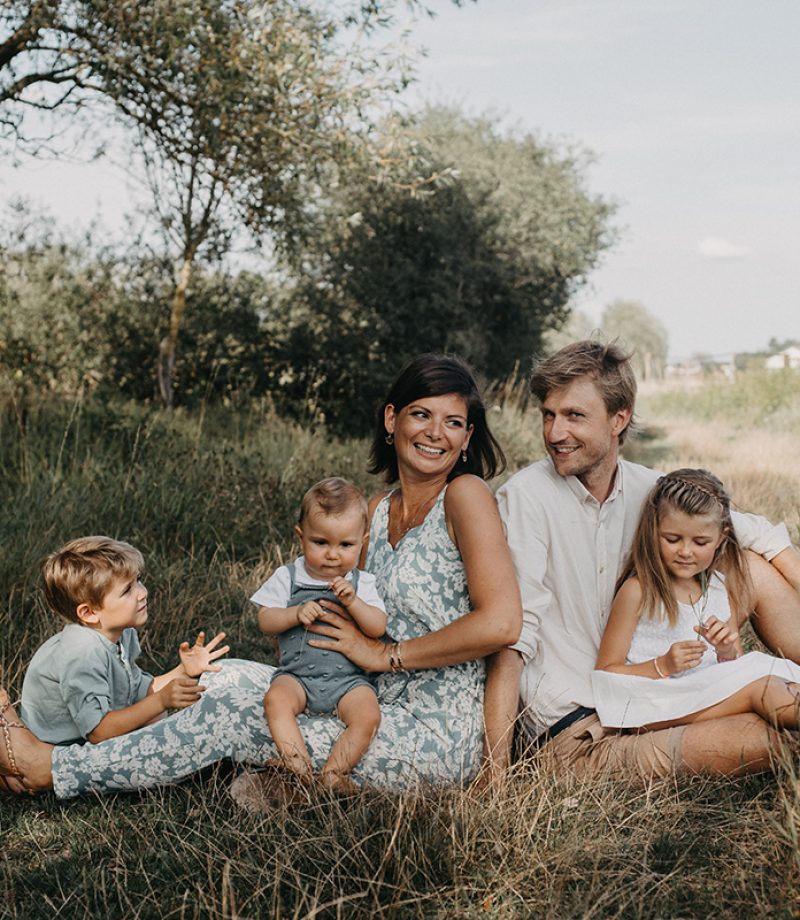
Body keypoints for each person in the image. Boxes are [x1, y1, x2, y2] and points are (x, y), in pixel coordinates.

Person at [0, 354, 522, 799]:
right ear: (391, 419)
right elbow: (339, 603)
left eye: (453, 422)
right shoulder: (376, 508)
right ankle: (90, 738)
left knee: (234, 715)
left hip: (426, 731)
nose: (435, 433)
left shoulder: (465, 495)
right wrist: (305, 646)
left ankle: (54, 769)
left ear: (468, 435)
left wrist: (384, 655)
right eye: (421, 414)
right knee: (219, 679)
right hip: (353, 688)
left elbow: (502, 624)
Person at [485, 340, 800, 782]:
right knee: (768, 740)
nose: (555, 433)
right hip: (580, 727)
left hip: (662, 696)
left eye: (574, 416)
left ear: (619, 418)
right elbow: (512, 637)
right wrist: (494, 772)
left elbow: (750, 530)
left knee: (753, 564)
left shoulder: (648, 490)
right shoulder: (524, 498)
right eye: (548, 415)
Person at [592, 469, 800, 732]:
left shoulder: (718, 589)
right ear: (653, 531)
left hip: (703, 692)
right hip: (657, 700)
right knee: (764, 687)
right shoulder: (638, 591)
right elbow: (606, 673)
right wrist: (662, 665)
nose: (685, 552)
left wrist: (726, 650)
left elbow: (733, 667)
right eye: (672, 539)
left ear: (720, 539)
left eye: (700, 542)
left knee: (780, 677)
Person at [20, 536, 230, 746]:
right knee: (162, 720)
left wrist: (184, 671)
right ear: (89, 612)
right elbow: (99, 731)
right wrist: (160, 701)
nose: (143, 593)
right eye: (127, 590)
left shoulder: (122, 633)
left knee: (156, 715)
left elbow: (137, 691)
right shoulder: (82, 654)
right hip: (63, 753)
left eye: (138, 580)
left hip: (95, 738)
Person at [255, 477, 386, 792]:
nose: (332, 555)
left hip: (347, 682)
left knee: (368, 714)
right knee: (275, 700)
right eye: (321, 542)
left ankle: (334, 773)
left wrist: (353, 601)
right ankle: (297, 766)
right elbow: (265, 620)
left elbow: (377, 627)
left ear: (362, 542)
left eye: (346, 545)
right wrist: (294, 614)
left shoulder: (361, 582)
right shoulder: (287, 576)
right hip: (297, 677)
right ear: (301, 538)